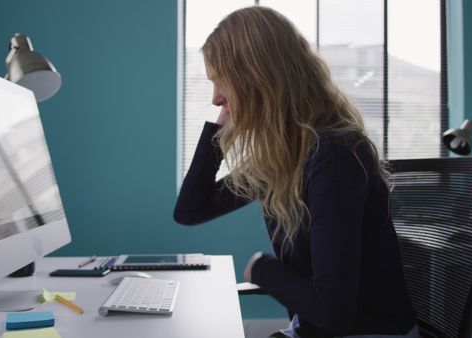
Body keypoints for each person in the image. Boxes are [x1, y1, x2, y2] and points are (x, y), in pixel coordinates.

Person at [174, 6, 417, 338]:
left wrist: (263, 268)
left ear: (258, 77)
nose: (216, 99)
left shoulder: (333, 155)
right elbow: (190, 210)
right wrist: (219, 131)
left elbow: (333, 314)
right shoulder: (286, 156)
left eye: (222, 82)